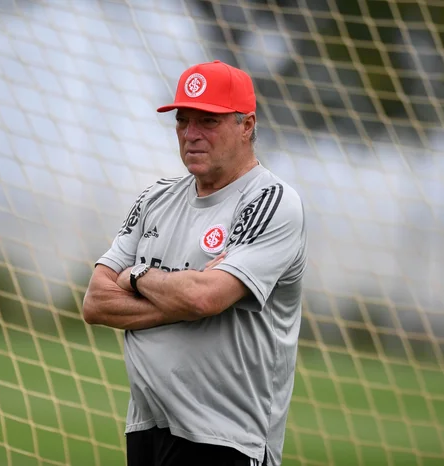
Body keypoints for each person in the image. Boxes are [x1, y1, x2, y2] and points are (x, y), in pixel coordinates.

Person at [82, 60, 307, 466]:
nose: (191, 134)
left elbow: (206, 298)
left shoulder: (270, 201)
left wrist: (136, 276)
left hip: (225, 437)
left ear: (247, 125)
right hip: (146, 427)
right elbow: (96, 302)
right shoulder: (155, 198)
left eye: (208, 121)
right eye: (183, 121)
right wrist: (182, 296)